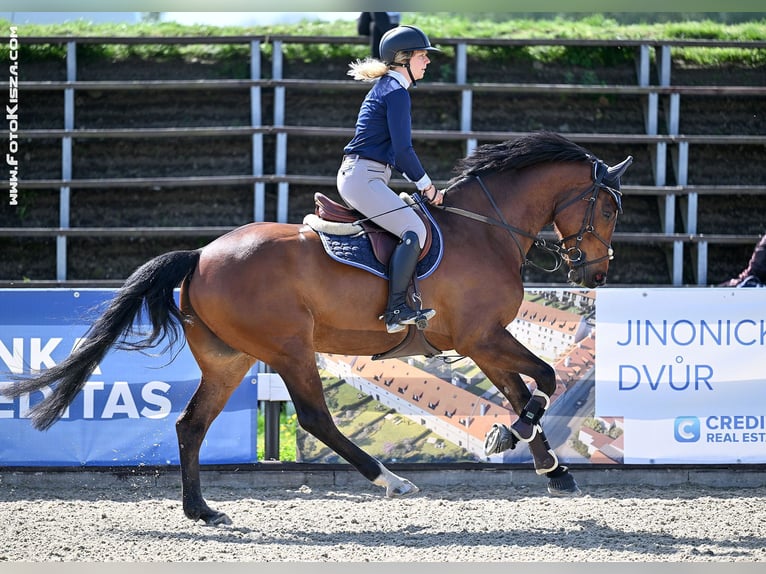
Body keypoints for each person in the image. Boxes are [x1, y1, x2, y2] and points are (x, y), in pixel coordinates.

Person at [337, 25, 443, 334]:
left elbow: (397, 155)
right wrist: (427, 186)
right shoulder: (396, 93)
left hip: (368, 176)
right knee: (415, 230)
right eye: (423, 56)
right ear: (404, 58)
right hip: (363, 179)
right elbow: (403, 151)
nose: (427, 61)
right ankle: (396, 309)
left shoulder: (390, 89)